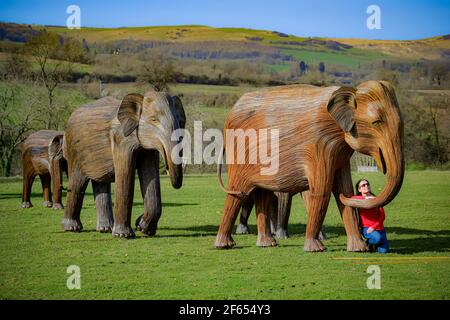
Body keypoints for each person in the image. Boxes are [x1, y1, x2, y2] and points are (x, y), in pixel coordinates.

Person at [353, 179, 389, 253]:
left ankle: (373, 245)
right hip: (367, 228)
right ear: (359, 189)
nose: (366, 186)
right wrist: (370, 198)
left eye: (367, 184)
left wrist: (374, 227)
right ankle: (368, 243)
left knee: (384, 251)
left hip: (379, 228)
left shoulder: (377, 199)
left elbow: (382, 216)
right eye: (363, 185)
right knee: (378, 239)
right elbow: (353, 198)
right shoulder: (358, 200)